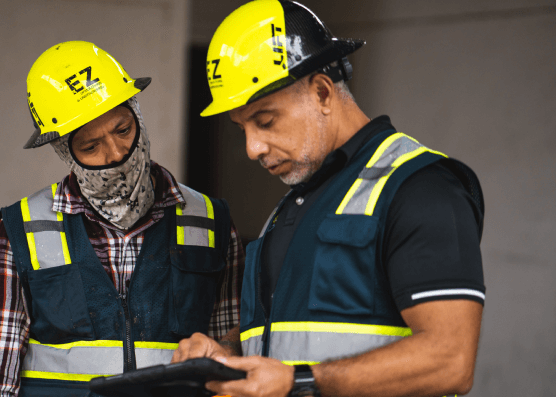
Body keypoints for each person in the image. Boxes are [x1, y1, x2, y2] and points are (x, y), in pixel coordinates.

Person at [171, 1, 486, 397]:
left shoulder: (420, 188)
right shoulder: (295, 204)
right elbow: (294, 328)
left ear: (321, 92)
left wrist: (297, 382)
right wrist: (228, 351)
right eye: (241, 128)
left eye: (265, 121)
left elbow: (450, 360)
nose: (252, 147)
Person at [0, 41, 245, 397]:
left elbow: (233, 355)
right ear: (65, 150)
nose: (116, 154)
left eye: (123, 130)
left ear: (138, 116)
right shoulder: (20, 230)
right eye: (90, 147)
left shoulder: (210, 222)